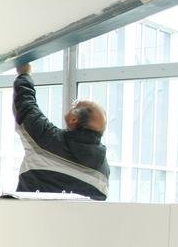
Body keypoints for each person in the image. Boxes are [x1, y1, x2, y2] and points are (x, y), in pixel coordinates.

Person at [13, 62, 110, 200]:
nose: (71, 106)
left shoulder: (46, 140)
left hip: (29, 218)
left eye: (75, 105)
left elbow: (25, 106)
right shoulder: (103, 170)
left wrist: (24, 74)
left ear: (73, 119)